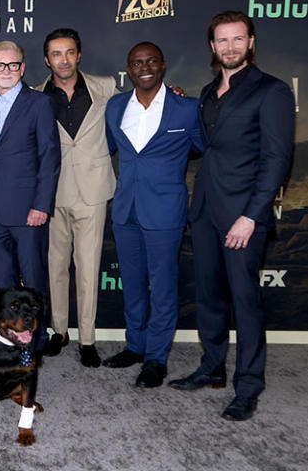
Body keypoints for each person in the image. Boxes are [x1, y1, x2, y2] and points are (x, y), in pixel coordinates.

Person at [169, 11, 294, 421]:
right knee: (209, 296)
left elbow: (277, 160)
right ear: (212, 46)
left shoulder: (271, 91)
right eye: (222, 41)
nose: (229, 47)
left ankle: (249, 386)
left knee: (246, 302)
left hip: (243, 214)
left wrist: (251, 217)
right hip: (205, 209)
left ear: (251, 42)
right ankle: (212, 369)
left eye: (237, 39)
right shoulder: (207, 92)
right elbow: (206, 145)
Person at [102, 42, 203, 388]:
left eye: (150, 61)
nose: (144, 67)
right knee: (132, 283)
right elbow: (111, 148)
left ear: (162, 65)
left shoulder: (188, 109)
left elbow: (205, 147)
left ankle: (156, 358)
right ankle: (136, 345)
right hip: (125, 208)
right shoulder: (115, 107)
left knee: (162, 286)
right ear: (128, 70)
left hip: (165, 210)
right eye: (136, 63)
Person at [35, 28, 118, 367]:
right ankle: (59, 331)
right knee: (55, 268)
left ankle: (87, 338)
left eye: (69, 52)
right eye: (56, 54)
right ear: (47, 59)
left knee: (88, 268)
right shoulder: (36, 96)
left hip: (93, 190)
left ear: (78, 55)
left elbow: (141, 107)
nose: (64, 59)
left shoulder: (107, 87)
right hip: (53, 192)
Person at [0, 40, 60, 352]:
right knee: (4, 282)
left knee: (34, 278)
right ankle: (8, 337)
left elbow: (50, 157)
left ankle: (37, 341)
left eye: (13, 65)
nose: (6, 71)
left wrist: (41, 205)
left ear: (22, 68)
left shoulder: (38, 103)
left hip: (28, 210)